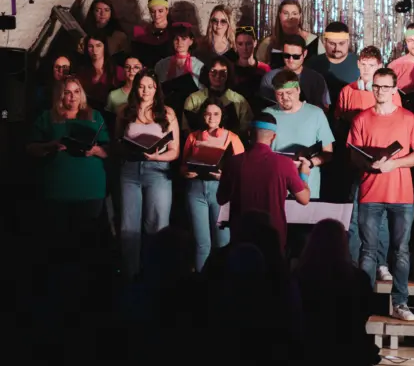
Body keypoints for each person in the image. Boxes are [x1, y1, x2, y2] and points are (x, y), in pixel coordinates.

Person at [347, 67, 414, 321]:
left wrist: (395, 164)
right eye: (376, 86)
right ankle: (364, 303)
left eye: (385, 87)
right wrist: (368, 163)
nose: (380, 91)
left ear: (394, 90)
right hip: (370, 193)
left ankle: (400, 303)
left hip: (401, 196)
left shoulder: (408, 118)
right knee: (368, 252)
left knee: (401, 251)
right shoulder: (362, 118)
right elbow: (353, 154)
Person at [27, 77, 110, 258]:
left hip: (90, 189)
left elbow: (109, 151)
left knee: (88, 246)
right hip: (58, 190)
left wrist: (95, 150)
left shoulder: (95, 116)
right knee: (59, 247)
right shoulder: (48, 117)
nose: (73, 96)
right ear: (60, 95)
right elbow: (31, 148)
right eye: (68, 92)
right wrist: (50, 145)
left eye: (77, 92)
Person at [335, 46, 399, 276]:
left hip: (381, 163)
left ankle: (381, 263)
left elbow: (396, 122)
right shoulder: (348, 91)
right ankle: (352, 262)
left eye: (371, 66)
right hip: (355, 160)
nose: (366, 69)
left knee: (379, 216)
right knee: (353, 214)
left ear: (379, 66)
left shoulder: (389, 92)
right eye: (363, 65)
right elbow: (339, 122)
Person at [117, 70, 181, 278]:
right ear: (136, 88)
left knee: (158, 224)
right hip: (130, 170)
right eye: (141, 86)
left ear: (156, 89)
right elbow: (117, 143)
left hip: (158, 171)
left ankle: (156, 275)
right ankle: (131, 275)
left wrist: (156, 157)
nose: (146, 91)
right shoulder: (125, 111)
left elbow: (174, 151)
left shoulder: (167, 113)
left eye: (150, 87)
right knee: (129, 228)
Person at [217, 113, 311, 252]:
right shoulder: (285, 164)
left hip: (241, 236)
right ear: (273, 137)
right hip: (273, 237)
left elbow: (221, 198)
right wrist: (304, 175)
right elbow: (304, 199)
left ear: (249, 133)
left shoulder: (233, 162)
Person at [294, 219, 378, 366]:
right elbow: (365, 312)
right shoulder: (359, 279)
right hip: (349, 355)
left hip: (309, 354)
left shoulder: (299, 278)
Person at [181, 97, 245, 272]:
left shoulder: (232, 138)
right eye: (207, 114)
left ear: (222, 115)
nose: (211, 118)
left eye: (216, 114)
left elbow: (242, 170)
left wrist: (225, 176)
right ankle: (201, 281)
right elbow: (183, 165)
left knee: (222, 241)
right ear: (203, 116)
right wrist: (186, 172)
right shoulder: (193, 136)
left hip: (221, 191)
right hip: (196, 189)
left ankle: (222, 281)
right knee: (201, 242)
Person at [263, 70, 334, 200]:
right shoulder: (267, 115)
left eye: (289, 93)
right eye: (280, 94)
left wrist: (309, 163)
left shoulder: (316, 114)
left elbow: (328, 152)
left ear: (298, 90)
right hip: (276, 186)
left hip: (307, 188)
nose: (285, 98)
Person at [182, 55, 252, 139]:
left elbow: (246, 130)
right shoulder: (193, 99)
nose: (218, 76)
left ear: (228, 74)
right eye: (213, 71)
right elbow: (186, 130)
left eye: (223, 72)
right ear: (207, 72)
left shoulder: (239, 101)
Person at [259, 35, 330, 110]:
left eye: (296, 57)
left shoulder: (316, 79)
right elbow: (265, 107)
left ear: (305, 54)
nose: (291, 60)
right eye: (287, 56)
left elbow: (324, 108)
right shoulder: (270, 77)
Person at [306, 21, 360, 106]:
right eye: (332, 43)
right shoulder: (312, 64)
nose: (336, 48)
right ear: (324, 42)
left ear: (348, 42)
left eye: (341, 43)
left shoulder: (360, 63)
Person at [256, 0, 323, 65]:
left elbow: (324, 66)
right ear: (279, 15)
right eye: (286, 13)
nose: (290, 17)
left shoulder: (313, 41)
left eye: (294, 14)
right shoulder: (267, 43)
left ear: (300, 16)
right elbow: (259, 67)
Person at [154, 24, 204, 88]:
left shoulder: (199, 66)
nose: (179, 42)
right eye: (176, 39)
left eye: (183, 39)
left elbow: (203, 90)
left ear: (191, 41)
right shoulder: (161, 65)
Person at [132, 0, 174, 69]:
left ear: (167, 10)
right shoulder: (141, 32)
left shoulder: (175, 31)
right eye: (153, 11)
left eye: (160, 11)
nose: (156, 15)